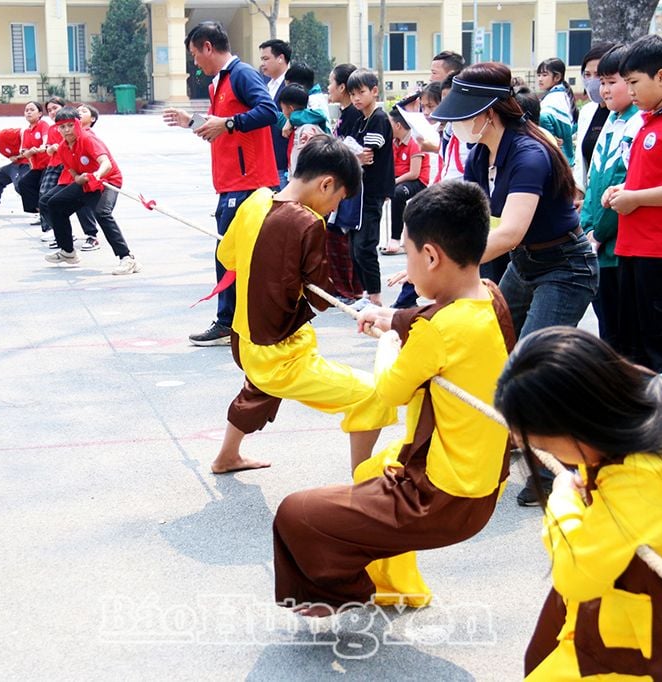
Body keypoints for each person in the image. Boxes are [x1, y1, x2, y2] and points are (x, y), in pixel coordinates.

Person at [274, 181, 513, 616]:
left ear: (431, 256)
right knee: (370, 468)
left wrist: (387, 343)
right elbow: (431, 323)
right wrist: (393, 320)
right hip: (484, 481)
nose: (406, 263)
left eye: (407, 253)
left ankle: (340, 592)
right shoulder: (490, 298)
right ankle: (399, 586)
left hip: (442, 497)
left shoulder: (435, 330)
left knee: (296, 513)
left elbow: (388, 391)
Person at [494, 327, 662, 679]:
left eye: (544, 444)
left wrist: (562, 497)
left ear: (578, 425)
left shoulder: (639, 478)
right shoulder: (661, 408)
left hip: (632, 637)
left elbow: (576, 577)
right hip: (629, 610)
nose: (541, 453)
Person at [430, 63, 598, 507]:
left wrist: (448, 265)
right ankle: (517, 439)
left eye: (463, 112)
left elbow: (510, 232)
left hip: (565, 266)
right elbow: (473, 217)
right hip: (525, 265)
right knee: (496, 347)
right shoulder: (481, 152)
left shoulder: (528, 152)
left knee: (532, 365)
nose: (455, 122)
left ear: (489, 111)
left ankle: (562, 466)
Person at [211, 135, 395, 474]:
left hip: (247, 338)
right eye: (339, 199)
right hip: (279, 352)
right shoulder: (308, 222)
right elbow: (318, 298)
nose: (335, 208)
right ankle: (364, 486)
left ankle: (227, 456)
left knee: (258, 387)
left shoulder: (257, 199)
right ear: (326, 184)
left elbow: (227, 256)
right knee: (372, 394)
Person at [163, 21, 278, 346]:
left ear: (207, 47)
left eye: (195, 55)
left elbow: (268, 112)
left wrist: (227, 122)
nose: (195, 62)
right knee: (234, 253)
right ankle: (239, 320)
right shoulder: (219, 84)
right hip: (230, 182)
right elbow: (219, 128)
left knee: (228, 253)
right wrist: (192, 122)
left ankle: (230, 321)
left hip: (248, 182)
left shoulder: (241, 75)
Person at [605, 34, 662, 374]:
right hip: (632, 247)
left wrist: (635, 198)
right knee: (633, 344)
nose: (631, 91)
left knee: (661, 346)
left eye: (634, 82)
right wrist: (621, 188)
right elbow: (653, 177)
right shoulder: (647, 121)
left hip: (659, 251)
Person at [579, 44, 642, 351]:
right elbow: (593, 184)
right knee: (608, 332)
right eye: (600, 82)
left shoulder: (637, 122)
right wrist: (586, 227)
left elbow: (622, 184)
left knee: (623, 336)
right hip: (598, 245)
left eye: (611, 81)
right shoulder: (611, 120)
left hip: (617, 246)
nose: (602, 89)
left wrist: (599, 233)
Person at [40, 107, 138, 275]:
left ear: (77, 124)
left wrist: (97, 175)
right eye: (62, 127)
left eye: (70, 125)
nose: (67, 130)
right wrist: (81, 178)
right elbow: (74, 175)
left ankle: (127, 258)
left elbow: (106, 164)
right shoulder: (63, 148)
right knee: (53, 203)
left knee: (102, 213)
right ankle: (68, 251)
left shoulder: (88, 139)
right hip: (87, 182)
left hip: (108, 180)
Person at [346, 68, 394, 309]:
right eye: (352, 93)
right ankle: (366, 293)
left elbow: (368, 151)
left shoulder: (379, 118)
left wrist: (353, 151)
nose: (356, 98)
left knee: (365, 244)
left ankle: (375, 296)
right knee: (354, 245)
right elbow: (351, 148)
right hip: (359, 192)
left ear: (374, 91)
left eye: (361, 92)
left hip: (372, 191)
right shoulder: (361, 119)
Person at [36, 97, 100, 248]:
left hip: (84, 176)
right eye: (77, 111)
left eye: (84, 111)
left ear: (92, 119)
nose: (79, 113)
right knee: (46, 201)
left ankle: (92, 235)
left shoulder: (88, 136)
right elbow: (54, 147)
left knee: (82, 203)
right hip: (68, 174)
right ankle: (63, 235)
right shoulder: (59, 130)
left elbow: (102, 161)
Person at [324, 63, 362, 304]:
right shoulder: (343, 114)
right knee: (335, 235)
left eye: (331, 83)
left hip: (349, 187)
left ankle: (351, 290)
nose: (328, 88)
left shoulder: (356, 117)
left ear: (342, 87)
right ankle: (342, 287)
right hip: (341, 183)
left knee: (345, 237)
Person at [385, 106, 429, 263]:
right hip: (398, 180)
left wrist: (392, 183)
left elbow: (414, 173)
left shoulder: (414, 142)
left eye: (389, 123)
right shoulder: (392, 142)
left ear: (397, 125)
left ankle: (395, 237)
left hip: (417, 181)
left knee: (397, 194)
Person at [573, 42, 614, 198]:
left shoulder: (627, 116)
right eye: (587, 75)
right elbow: (580, 163)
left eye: (598, 75)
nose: (592, 81)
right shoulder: (587, 112)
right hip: (588, 203)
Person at [259, 38, 291, 188]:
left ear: (280, 58)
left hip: (283, 162)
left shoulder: (292, 85)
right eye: (261, 59)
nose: (262, 64)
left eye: (266, 59)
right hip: (265, 162)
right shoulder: (264, 85)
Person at [277, 84, 328, 175]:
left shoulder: (307, 128)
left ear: (290, 108)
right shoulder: (298, 121)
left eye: (283, 109)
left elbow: (321, 115)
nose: (282, 112)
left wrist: (291, 119)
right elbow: (278, 118)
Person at [536, 57, 577, 167]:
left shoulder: (553, 98)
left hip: (556, 159)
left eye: (544, 75)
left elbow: (544, 117)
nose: (540, 79)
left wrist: (549, 136)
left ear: (557, 77)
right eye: (539, 75)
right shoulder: (564, 94)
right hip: (567, 158)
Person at [14, 101, 50, 223]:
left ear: (40, 113)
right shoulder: (25, 131)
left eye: (32, 109)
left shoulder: (43, 125)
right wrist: (27, 153)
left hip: (49, 166)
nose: (28, 112)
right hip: (36, 167)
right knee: (24, 183)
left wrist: (37, 150)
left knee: (42, 187)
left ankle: (46, 217)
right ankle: (39, 212)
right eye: (26, 110)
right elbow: (23, 151)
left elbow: (46, 143)